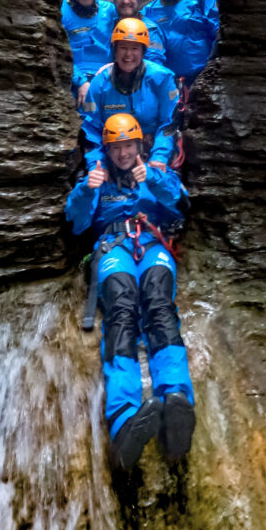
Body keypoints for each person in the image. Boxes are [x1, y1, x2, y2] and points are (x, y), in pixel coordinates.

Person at [66, 113, 195, 468]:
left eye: (129, 145)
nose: (124, 153)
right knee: (122, 310)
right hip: (112, 247)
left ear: (140, 145)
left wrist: (154, 179)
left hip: (151, 243)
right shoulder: (97, 179)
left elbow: (183, 205)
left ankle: (177, 404)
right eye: (117, 147)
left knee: (159, 305)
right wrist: (85, 190)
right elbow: (76, 225)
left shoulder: (153, 172)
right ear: (107, 149)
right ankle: (123, 419)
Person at [81, 18, 179, 171]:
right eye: (123, 48)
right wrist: (97, 165)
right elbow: (90, 128)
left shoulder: (162, 79)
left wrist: (159, 157)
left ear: (143, 51)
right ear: (115, 50)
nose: (128, 54)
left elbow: (169, 123)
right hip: (115, 154)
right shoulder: (99, 83)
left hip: (153, 149)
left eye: (135, 49)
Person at [142, 0, 219, 86]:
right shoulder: (148, 11)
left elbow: (218, 33)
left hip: (204, 80)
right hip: (168, 86)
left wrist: (210, 73)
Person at [61, 0, 117, 108]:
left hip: (107, 79)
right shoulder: (61, 10)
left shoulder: (109, 10)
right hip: (72, 79)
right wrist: (80, 82)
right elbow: (57, 51)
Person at [111, 0, 167, 66]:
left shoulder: (150, 29)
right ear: (114, 0)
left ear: (139, 0)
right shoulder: (110, 24)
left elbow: (155, 63)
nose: (126, 1)